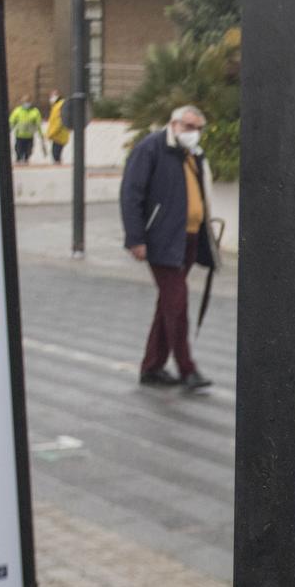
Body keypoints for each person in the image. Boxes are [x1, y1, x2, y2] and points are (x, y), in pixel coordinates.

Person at [120, 104, 215, 393]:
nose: (193, 133)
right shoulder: (151, 148)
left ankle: (152, 367)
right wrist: (135, 238)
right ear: (173, 124)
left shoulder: (191, 154)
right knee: (177, 302)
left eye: (198, 128)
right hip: (161, 239)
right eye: (188, 126)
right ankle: (187, 369)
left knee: (167, 304)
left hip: (188, 238)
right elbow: (131, 193)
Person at [8, 99, 43, 163]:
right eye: (25, 102)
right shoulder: (17, 111)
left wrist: (40, 134)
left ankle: (26, 160)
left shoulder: (35, 111)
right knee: (18, 150)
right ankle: (18, 160)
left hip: (29, 136)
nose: (26, 104)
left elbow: (38, 124)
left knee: (28, 151)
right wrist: (9, 130)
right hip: (20, 135)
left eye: (28, 102)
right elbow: (12, 121)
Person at [45, 91, 70, 164]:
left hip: (59, 135)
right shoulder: (56, 106)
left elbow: (58, 122)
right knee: (56, 154)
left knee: (56, 155)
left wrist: (50, 134)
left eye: (52, 96)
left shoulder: (59, 105)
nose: (50, 98)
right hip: (58, 135)